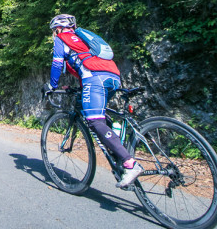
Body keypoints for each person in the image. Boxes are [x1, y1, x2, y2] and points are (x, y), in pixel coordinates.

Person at [43, 14, 143, 188]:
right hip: (113, 76)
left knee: (95, 122)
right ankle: (117, 148)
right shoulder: (83, 42)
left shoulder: (62, 38)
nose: (54, 34)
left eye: (54, 30)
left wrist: (51, 86)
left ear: (58, 28)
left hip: (95, 79)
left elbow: (57, 63)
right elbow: (83, 67)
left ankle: (129, 163)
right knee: (100, 115)